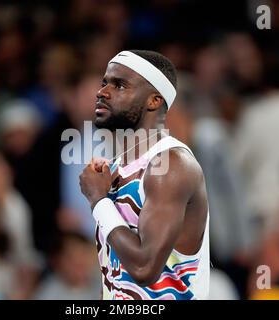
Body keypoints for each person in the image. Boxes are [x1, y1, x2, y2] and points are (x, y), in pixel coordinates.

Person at [79, 50, 210, 300]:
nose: (102, 92)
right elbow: (112, 278)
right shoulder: (113, 171)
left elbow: (144, 268)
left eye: (119, 85)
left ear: (154, 101)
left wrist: (99, 201)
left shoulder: (171, 164)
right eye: (104, 82)